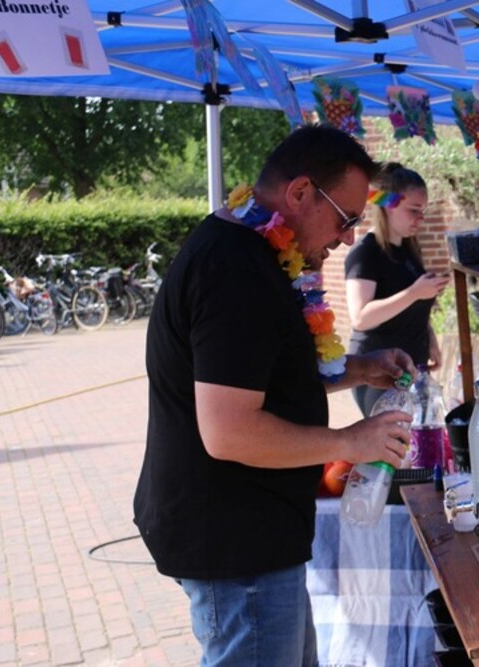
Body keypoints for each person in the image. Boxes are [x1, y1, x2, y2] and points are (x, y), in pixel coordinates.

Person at [133, 125, 418, 667]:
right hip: (236, 538)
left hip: (257, 532)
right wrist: (351, 441)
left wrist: (360, 369)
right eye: (346, 218)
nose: (348, 238)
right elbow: (230, 432)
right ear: (301, 193)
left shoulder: (257, 251)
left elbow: (268, 372)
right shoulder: (234, 269)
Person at [344, 162, 450, 416]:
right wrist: (414, 292)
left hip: (412, 365)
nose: (420, 218)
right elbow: (360, 317)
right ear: (388, 205)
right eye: (413, 210)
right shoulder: (366, 252)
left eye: (423, 211)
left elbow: (412, 306)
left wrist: (430, 338)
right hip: (379, 372)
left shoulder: (409, 249)